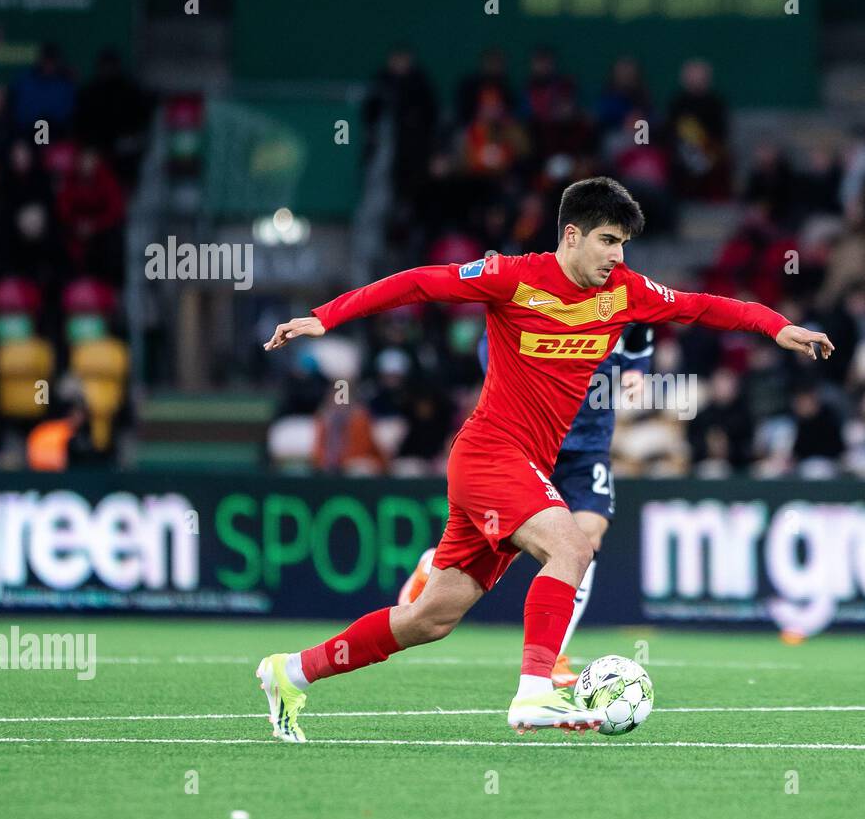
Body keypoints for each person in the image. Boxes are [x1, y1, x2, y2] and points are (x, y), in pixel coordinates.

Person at [257, 176, 833, 740]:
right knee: (572, 545)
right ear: (572, 235)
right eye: (608, 240)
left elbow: (703, 307)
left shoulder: (625, 291)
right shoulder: (512, 277)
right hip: (489, 452)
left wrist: (777, 327)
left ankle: (288, 672)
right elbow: (419, 284)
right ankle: (535, 690)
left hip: (523, 463)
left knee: (428, 619)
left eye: (624, 244)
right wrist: (326, 316)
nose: (618, 255)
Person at [398, 322, 654, 689]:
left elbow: (640, 343)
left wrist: (634, 373)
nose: (611, 262)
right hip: (530, 440)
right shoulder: (538, 294)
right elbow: (492, 345)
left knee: (588, 538)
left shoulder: (627, 296)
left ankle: (552, 658)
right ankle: (434, 564)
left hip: (589, 445)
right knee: (515, 544)